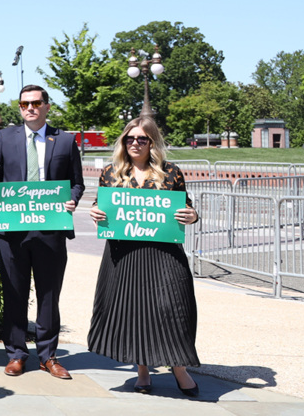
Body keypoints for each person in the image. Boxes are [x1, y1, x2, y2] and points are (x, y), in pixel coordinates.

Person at [87, 117, 201, 397]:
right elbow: (100, 206)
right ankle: (142, 370)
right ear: (123, 142)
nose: (135, 143)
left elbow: (186, 207)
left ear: (152, 142)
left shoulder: (170, 171)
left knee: (175, 308)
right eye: (129, 138)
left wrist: (193, 215)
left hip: (164, 253)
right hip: (123, 255)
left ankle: (179, 367)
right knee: (134, 310)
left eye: (141, 139)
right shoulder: (111, 173)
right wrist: (94, 212)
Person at [0, 84, 84, 379]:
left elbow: (76, 182)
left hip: (50, 229)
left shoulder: (65, 141)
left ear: (47, 106)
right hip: (12, 230)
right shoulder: (5, 137)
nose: (31, 108)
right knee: (14, 294)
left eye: (36, 103)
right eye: (25, 103)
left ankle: (48, 356)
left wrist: (73, 199)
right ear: (19, 107)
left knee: (49, 295)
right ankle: (16, 354)